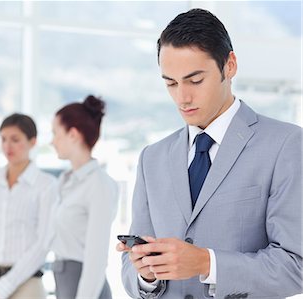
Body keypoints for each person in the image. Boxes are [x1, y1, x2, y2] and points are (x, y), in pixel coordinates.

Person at [118, 8, 302, 299]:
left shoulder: (285, 144)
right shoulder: (151, 159)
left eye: (195, 80)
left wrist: (206, 262)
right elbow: (130, 273)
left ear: (229, 66)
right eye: (171, 83)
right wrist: (146, 273)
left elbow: (296, 267)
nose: (182, 97)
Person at [0, 113, 57, 299]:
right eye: (3, 139)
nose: (8, 146)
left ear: (32, 142)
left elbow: (43, 242)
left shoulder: (46, 185)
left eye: (15, 139)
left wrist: (2, 289)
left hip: (27, 285)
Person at [49, 95, 119, 299]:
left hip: (86, 287)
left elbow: (96, 258)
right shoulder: (66, 182)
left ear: (73, 134)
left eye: (55, 133)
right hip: (65, 283)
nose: (52, 141)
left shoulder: (99, 185)